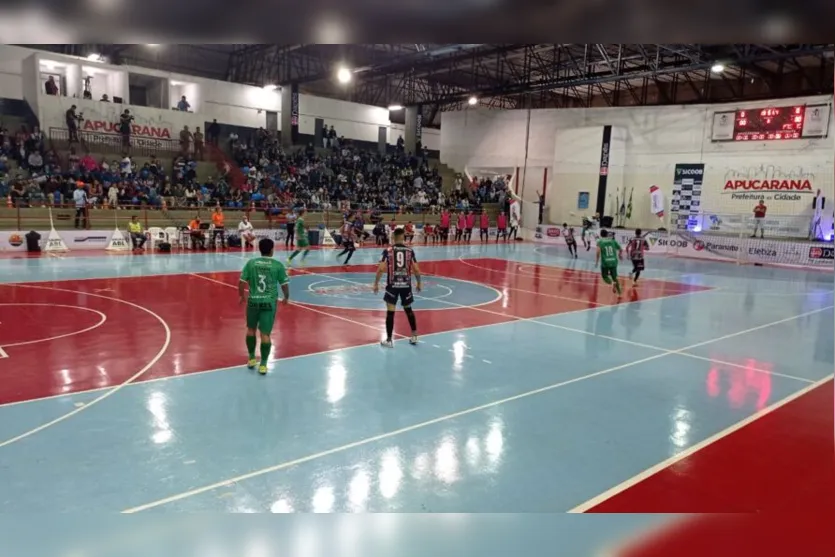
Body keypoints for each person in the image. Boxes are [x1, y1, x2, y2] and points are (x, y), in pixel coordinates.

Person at [238, 238, 290, 375]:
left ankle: (251, 358)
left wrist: (242, 296)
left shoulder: (251, 263)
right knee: (265, 334)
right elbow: (284, 285)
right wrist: (286, 297)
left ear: (260, 249)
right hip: (268, 302)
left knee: (251, 330)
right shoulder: (277, 265)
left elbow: (242, 281)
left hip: (253, 302)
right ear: (272, 250)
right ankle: (263, 365)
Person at [373, 228, 422, 348]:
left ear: (394, 237)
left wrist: (376, 283)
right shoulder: (410, 251)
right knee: (408, 309)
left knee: (390, 312)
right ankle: (415, 336)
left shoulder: (388, 251)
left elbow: (381, 268)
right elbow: (416, 269)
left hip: (392, 285)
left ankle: (389, 340)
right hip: (406, 285)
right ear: (403, 237)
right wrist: (419, 282)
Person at [595, 229, 623, 296]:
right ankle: (619, 293)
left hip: (605, 263)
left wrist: (596, 261)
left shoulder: (600, 242)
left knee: (604, 276)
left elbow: (598, 252)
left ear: (601, 235)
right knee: (615, 277)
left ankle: (612, 283)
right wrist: (619, 255)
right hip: (613, 262)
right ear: (607, 234)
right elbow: (620, 249)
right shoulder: (613, 241)